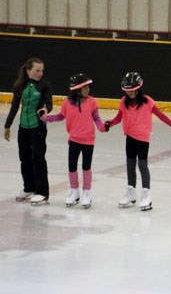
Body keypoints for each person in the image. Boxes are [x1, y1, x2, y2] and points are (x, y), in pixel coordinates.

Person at [105, 72, 171, 211]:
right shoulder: (124, 102)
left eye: (132, 90)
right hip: (129, 136)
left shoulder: (147, 101)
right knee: (130, 163)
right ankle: (131, 191)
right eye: (127, 91)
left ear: (138, 88)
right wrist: (109, 124)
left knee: (142, 164)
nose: (130, 93)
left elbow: (161, 116)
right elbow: (118, 118)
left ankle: (146, 193)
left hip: (143, 137)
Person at [39, 74, 106, 209]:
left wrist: (101, 127)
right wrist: (46, 118)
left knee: (86, 167)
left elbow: (96, 118)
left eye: (88, 86)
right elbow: (60, 116)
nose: (88, 89)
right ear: (76, 90)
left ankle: (87, 192)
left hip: (88, 141)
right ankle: (74, 191)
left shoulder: (92, 101)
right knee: (72, 166)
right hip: (74, 140)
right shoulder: (67, 103)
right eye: (84, 87)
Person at [4, 58, 52, 205]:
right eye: (37, 70)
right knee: (24, 158)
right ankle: (29, 187)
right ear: (28, 70)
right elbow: (14, 106)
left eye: (42, 70)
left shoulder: (45, 85)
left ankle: (42, 192)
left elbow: (49, 104)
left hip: (38, 128)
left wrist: (45, 110)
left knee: (38, 158)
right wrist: (8, 125)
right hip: (23, 128)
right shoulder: (20, 85)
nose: (40, 73)